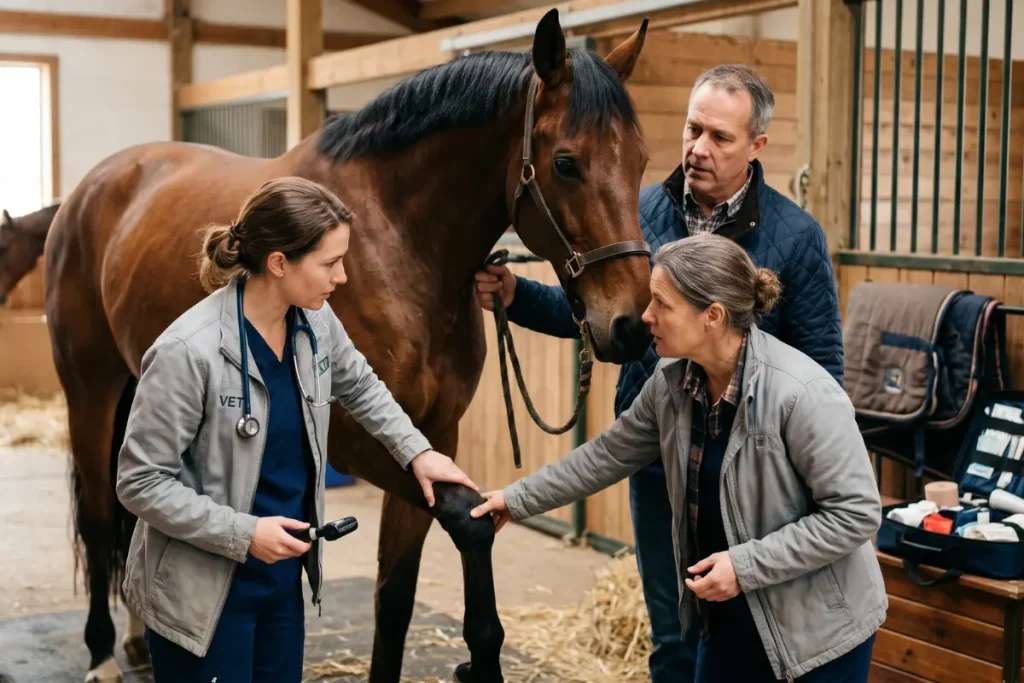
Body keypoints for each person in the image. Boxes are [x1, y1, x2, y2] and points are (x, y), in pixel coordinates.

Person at [475, 63, 844, 682]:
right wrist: (517, 296)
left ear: (756, 145)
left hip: (754, 471)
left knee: (751, 634)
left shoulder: (797, 236)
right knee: (673, 636)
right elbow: (604, 314)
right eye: (693, 129)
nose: (699, 148)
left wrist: (801, 472)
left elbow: (822, 366)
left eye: (720, 137)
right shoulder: (638, 209)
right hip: (660, 456)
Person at [471, 234, 886, 683]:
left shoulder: (802, 394)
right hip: (726, 619)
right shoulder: (672, 382)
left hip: (817, 636)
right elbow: (607, 455)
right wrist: (515, 499)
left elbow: (856, 513)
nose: (646, 315)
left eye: (662, 304)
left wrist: (745, 566)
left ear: (712, 316)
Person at [115, 177, 477, 683]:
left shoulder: (315, 322)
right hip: (203, 599)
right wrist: (244, 533)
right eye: (330, 263)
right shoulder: (187, 352)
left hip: (282, 583)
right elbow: (140, 482)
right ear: (279, 263)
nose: (342, 277)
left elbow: (361, 385)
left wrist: (417, 451)